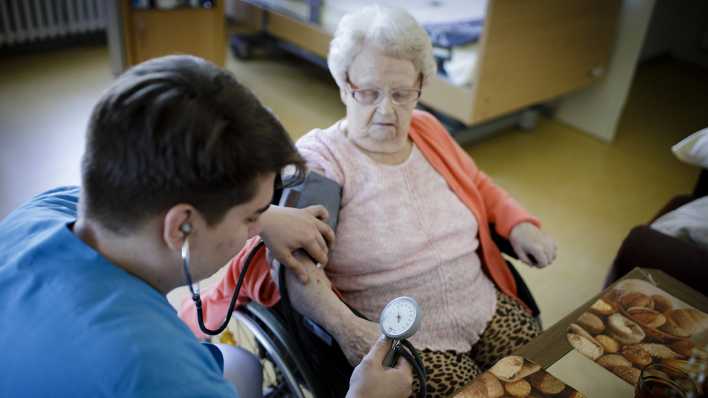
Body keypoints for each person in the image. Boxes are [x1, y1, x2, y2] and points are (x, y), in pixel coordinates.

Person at [181, 6, 558, 397]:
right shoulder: (323, 160)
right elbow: (297, 264)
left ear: (421, 86)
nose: (385, 110)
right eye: (368, 92)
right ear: (345, 85)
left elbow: (477, 183)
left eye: (401, 94)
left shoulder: (427, 129)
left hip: (480, 301)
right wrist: (348, 329)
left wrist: (519, 225)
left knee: (543, 373)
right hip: (403, 333)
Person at [0, 55, 412, 398]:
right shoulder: (154, 368)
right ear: (181, 227)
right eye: (249, 216)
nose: (255, 227)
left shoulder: (43, 212)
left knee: (237, 363)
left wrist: (265, 217)